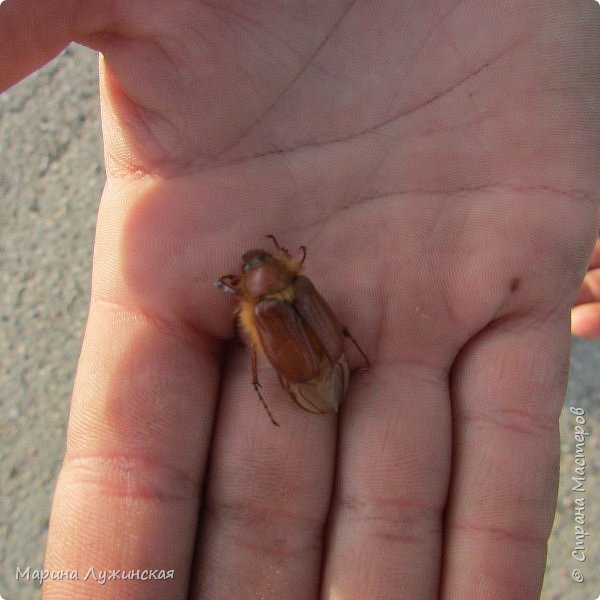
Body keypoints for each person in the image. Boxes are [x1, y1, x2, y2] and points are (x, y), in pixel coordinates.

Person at [2, 1, 599, 598]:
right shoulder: (294, 285)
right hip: (318, 354)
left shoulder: (261, 303)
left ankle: (300, 385)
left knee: (269, 364)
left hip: (306, 359)